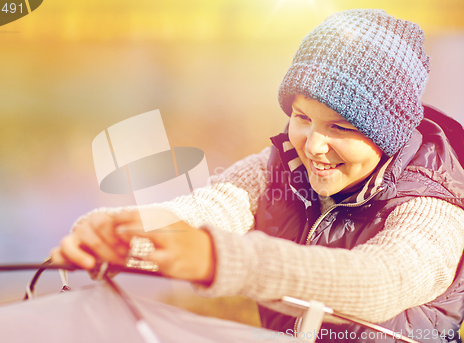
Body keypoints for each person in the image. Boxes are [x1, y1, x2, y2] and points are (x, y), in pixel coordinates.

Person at [51, 9, 464, 343]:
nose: (314, 146)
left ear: (387, 135)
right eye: (302, 117)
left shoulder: (433, 205)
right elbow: (209, 208)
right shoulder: (281, 166)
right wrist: (123, 233)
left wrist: (218, 259)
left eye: (341, 128)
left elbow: (381, 282)